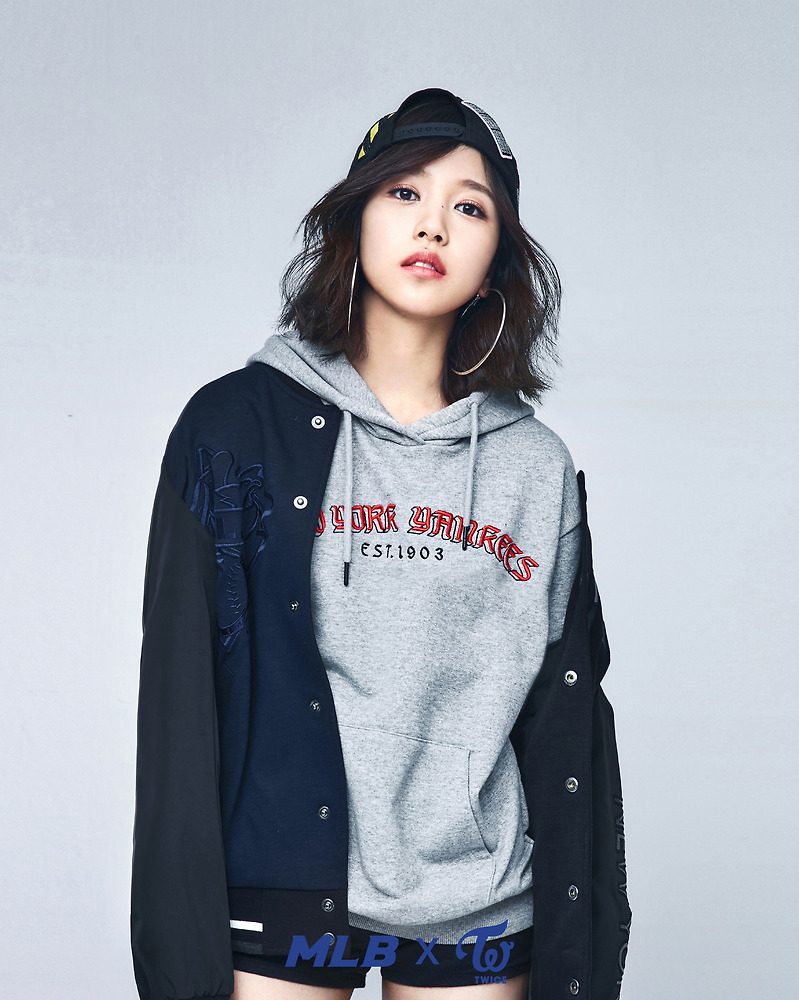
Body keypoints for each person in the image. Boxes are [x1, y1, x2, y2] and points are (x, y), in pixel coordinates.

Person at [130, 88, 632, 1000]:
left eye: (469, 208)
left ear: (495, 261)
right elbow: (179, 695)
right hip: (278, 879)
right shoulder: (235, 430)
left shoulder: (533, 468)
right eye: (404, 192)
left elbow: (562, 715)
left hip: (474, 900)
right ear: (354, 219)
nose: (432, 225)